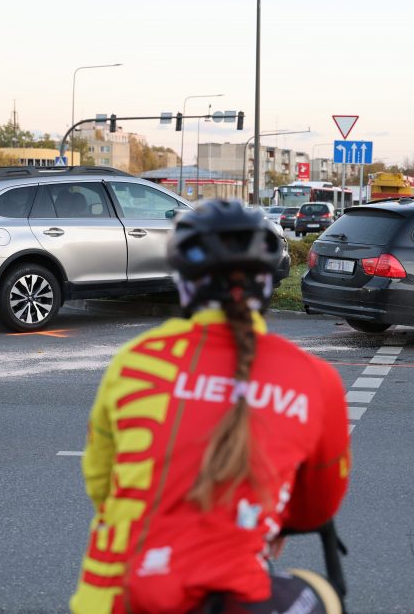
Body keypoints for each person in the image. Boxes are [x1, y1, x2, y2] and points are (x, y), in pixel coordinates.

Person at [70, 200, 351, 614]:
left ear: (183, 279)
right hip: (231, 599)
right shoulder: (315, 379)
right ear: (267, 281)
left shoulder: (136, 361)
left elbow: (102, 485)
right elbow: (315, 509)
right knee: (321, 595)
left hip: (112, 598)